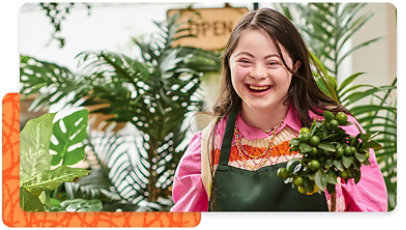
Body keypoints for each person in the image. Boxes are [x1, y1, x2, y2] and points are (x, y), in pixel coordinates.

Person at [170, 8, 387, 211]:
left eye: (272, 63)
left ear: (295, 66)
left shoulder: (338, 135)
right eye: (245, 61)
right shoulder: (206, 149)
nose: (257, 73)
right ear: (228, 64)